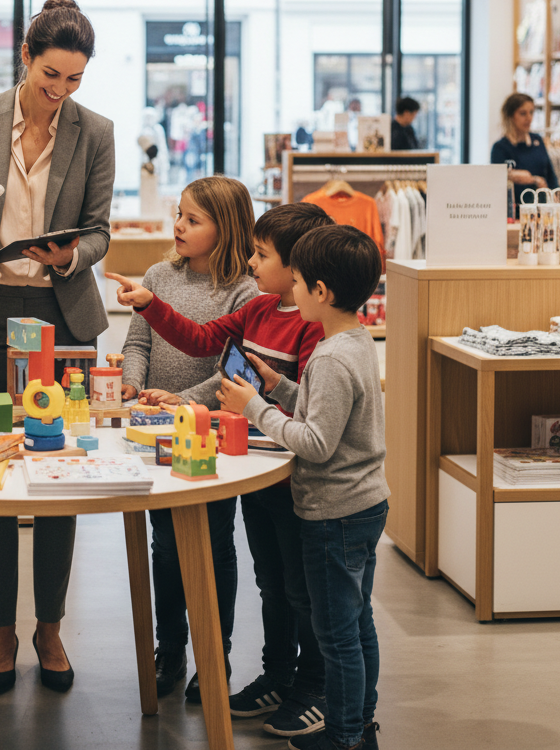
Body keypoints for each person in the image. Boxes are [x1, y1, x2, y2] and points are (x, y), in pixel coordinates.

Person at [0, 0, 114, 693]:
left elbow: (99, 229)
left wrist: (68, 254)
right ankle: (1, 628)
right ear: (25, 58)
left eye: (73, 80)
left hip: (62, 315)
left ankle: (51, 626)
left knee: (59, 471)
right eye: (50, 77)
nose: (61, 92)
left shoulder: (95, 132)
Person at [109, 202, 331, 736]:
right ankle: (277, 675)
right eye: (253, 252)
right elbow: (202, 339)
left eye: (263, 255)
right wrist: (149, 304)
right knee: (271, 582)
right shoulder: (257, 311)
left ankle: (312, 685)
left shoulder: (311, 327)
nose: (254, 264)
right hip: (249, 461)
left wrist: (261, 394)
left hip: (288, 471)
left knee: (301, 589)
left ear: (298, 266)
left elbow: (307, 406)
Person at [218, 225, 389, 750]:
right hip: (364, 504)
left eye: (296, 281)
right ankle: (361, 725)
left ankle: (342, 738)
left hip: (332, 513)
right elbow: (327, 412)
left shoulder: (332, 358)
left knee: (338, 636)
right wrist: (279, 386)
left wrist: (254, 409)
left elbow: (314, 442)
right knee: (358, 624)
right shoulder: (353, 343)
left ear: (322, 292)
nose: (289, 291)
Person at [120, 176, 260, 702]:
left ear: (225, 229)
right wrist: (133, 381)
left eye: (192, 219)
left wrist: (188, 401)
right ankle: (171, 647)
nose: (178, 225)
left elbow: (230, 365)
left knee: (214, 543)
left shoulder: (245, 290)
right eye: (179, 214)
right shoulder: (159, 273)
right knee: (164, 542)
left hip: (211, 431)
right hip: (154, 429)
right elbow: (138, 339)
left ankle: (213, 653)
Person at [490, 93, 558, 213]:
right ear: (511, 116)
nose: (529, 118)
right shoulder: (500, 148)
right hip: (515, 213)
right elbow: (496, 182)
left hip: (543, 211)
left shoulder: (537, 141)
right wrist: (534, 180)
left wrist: (556, 200)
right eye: (523, 113)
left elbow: (550, 175)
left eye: (531, 112)